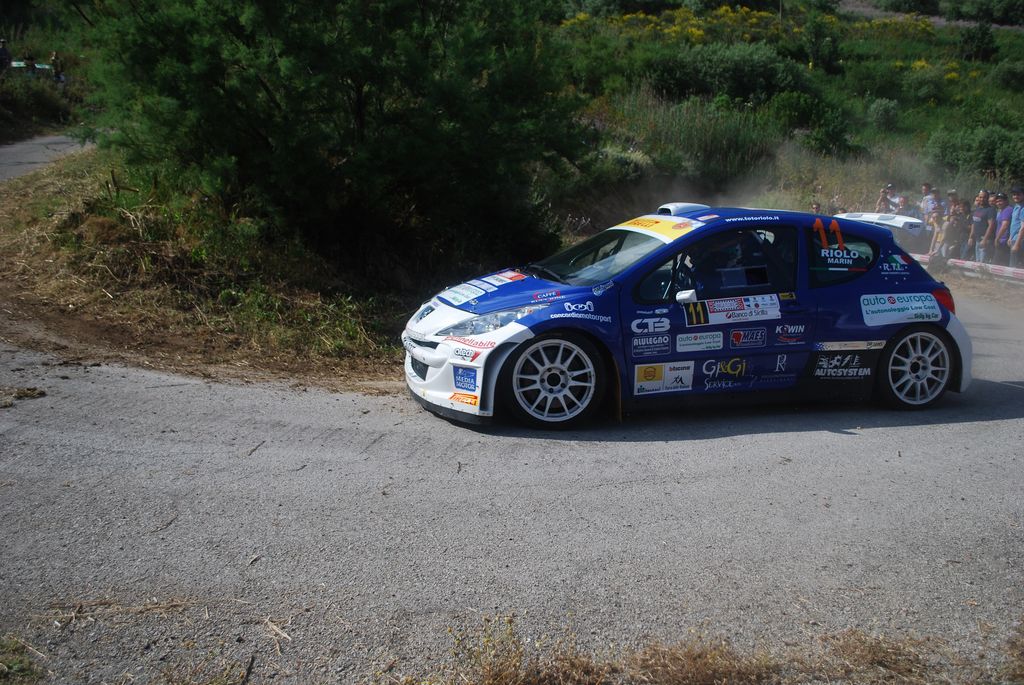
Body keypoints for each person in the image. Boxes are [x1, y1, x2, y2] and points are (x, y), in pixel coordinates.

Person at [969, 190, 996, 262]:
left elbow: (991, 225)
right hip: (977, 239)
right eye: (980, 197)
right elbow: (973, 223)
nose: (982, 199)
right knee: (977, 261)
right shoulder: (977, 209)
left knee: (983, 262)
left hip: (985, 240)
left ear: (987, 198)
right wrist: (971, 237)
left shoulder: (990, 210)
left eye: (984, 197)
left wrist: (985, 239)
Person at [992, 192, 1013, 265]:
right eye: (997, 201)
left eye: (1000, 201)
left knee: (996, 264)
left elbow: (1004, 226)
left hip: (1003, 241)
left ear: (1006, 201)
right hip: (1002, 241)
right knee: (1000, 263)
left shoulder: (1007, 210)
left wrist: (997, 238)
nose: (998, 203)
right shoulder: (1002, 210)